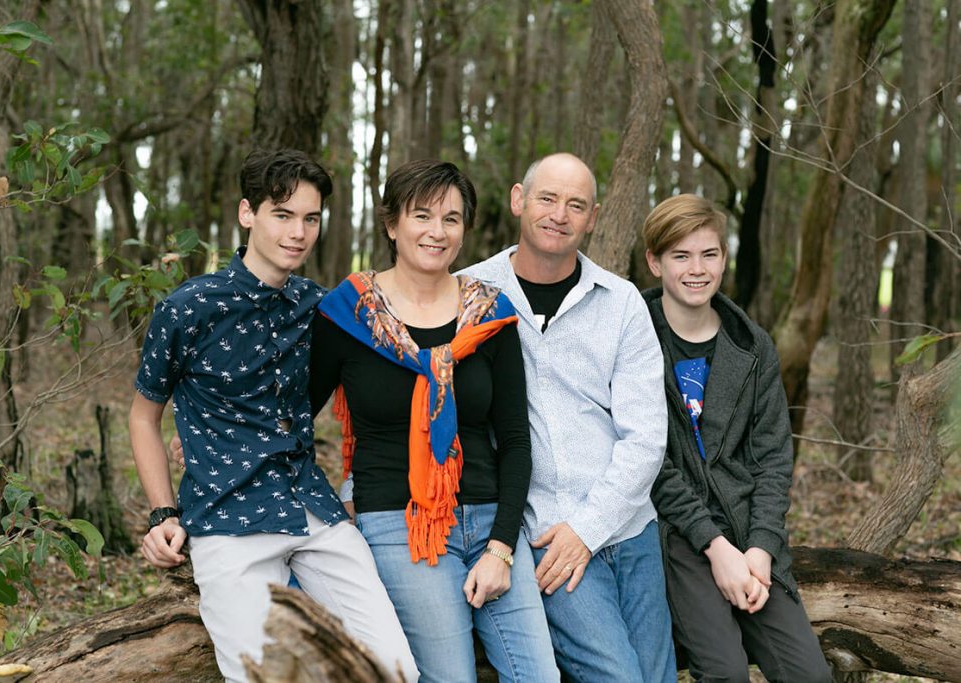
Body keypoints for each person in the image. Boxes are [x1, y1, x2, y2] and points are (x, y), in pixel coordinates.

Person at [129, 149, 418, 683]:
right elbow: (144, 417)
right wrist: (162, 514)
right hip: (226, 517)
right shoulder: (188, 308)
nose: (298, 233)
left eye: (310, 219)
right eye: (283, 215)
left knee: (393, 670)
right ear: (247, 214)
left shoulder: (320, 307)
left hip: (312, 511)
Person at [310, 159, 559, 682]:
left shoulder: (489, 314)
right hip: (400, 526)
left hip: (491, 522)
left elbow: (515, 440)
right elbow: (292, 417)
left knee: (539, 676)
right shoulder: (348, 313)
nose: (437, 231)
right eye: (421, 215)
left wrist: (501, 548)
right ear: (391, 225)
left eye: (451, 218)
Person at [460, 153, 676, 682]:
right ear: (518, 200)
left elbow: (646, 436)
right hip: (541, 536)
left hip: (629, 529)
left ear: (593, 216)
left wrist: (588, 528)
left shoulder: (622, 302)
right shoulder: (468, 293)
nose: (560, 214)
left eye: (576, 205)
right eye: (547, 199)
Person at [642, 194, 831, 683]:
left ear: (725, 259)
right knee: (725, 671)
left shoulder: (752, 346)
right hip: (676, 533)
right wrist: (714, 547)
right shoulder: (635, 338)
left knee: (808, 674)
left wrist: (761, 549)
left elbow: (772, 459)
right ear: (655, 261)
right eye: (681, 256)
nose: (696, 269)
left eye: (709, 254)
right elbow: (648, 461)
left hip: (748, 532)